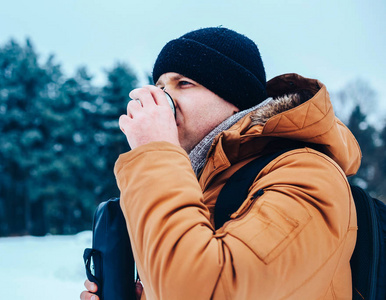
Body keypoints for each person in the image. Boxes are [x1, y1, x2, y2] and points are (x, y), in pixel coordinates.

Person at [80, 27, 360, 299]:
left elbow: (199, 290)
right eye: (160, 86)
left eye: (183, 83)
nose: (162, 99)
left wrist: (156, 151)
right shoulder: (195, 183)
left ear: (235, 100)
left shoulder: (307, 174)